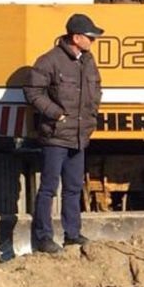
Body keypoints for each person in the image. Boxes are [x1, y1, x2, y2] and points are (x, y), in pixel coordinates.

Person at [23, 13, 104, 253]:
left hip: (79, 137)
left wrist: (92, 114)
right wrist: (56, 114)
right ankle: (44, 237)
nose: (93, 41)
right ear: (76, 37)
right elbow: (33, 91)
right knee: (48, 188)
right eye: (90, 37)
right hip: (56, 136)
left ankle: (73, 234)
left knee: (73, 187)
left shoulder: (88, 61)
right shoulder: (49, 61)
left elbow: (96, 87)